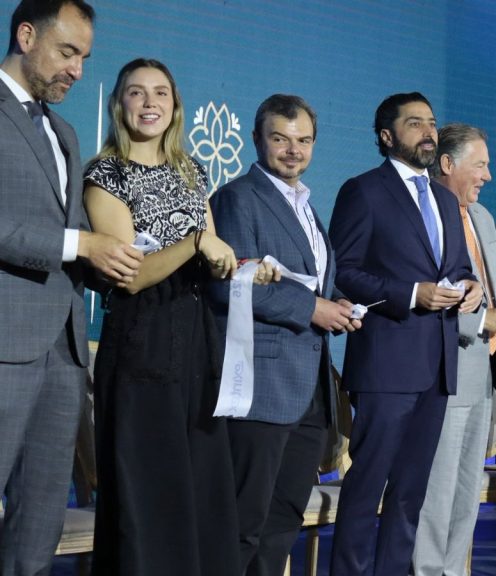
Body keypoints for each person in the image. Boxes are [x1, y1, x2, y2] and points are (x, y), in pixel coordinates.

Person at [84, 58, 273, 575]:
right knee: (150, 497)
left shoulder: (191, 170)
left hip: (196, 344)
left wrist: (243, 269)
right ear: (118, 104)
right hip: (141, 342)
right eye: (137, 92)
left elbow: (211, 259)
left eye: (161, 93)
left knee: (202, 495)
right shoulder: (105, 175)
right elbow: (130, 276)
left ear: (175, 106)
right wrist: (194, 242)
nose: (150, 103)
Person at [0, 2, 144, 572]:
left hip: (64, 355)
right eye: (67, 52)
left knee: (39, 521)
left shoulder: (64, 132)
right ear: (26, 35)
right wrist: (83, 244)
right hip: (5, 346)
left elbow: (79, 237)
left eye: (84, 57)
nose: (78, 71)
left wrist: (118, 262)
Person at [328, 92, 481, 575]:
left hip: (438, 366)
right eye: (415, 123)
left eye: (431, 123)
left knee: (411, 493)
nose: (428, 132)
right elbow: (343, 271)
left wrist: (472, 286)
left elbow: (457, 266)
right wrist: (412, 294)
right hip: (386, 366)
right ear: (387, 136)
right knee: (366, 488)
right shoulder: (363, 191)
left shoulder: (444, 198)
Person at [209, 94, 359, 575]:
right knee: (242, 525)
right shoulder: (237, 199)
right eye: (281, 139)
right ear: (257, 139)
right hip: (260, 389)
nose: (294, 150)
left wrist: (339, 304)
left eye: (304, 141)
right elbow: (231, 283)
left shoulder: (305, 205)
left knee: (282, 523)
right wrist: (313, 308)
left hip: (310, 391)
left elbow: (315, 282)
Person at [412, 123, 496, 576]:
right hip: (444, 369)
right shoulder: (425, 216)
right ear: (447, 164)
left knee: (466, 490)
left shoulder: (480, 216)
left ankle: (454, 570)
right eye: (479, 165)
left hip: (485, 371)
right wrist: (481, 321)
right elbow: (424, 300)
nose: (487, 175)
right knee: (438, 489)